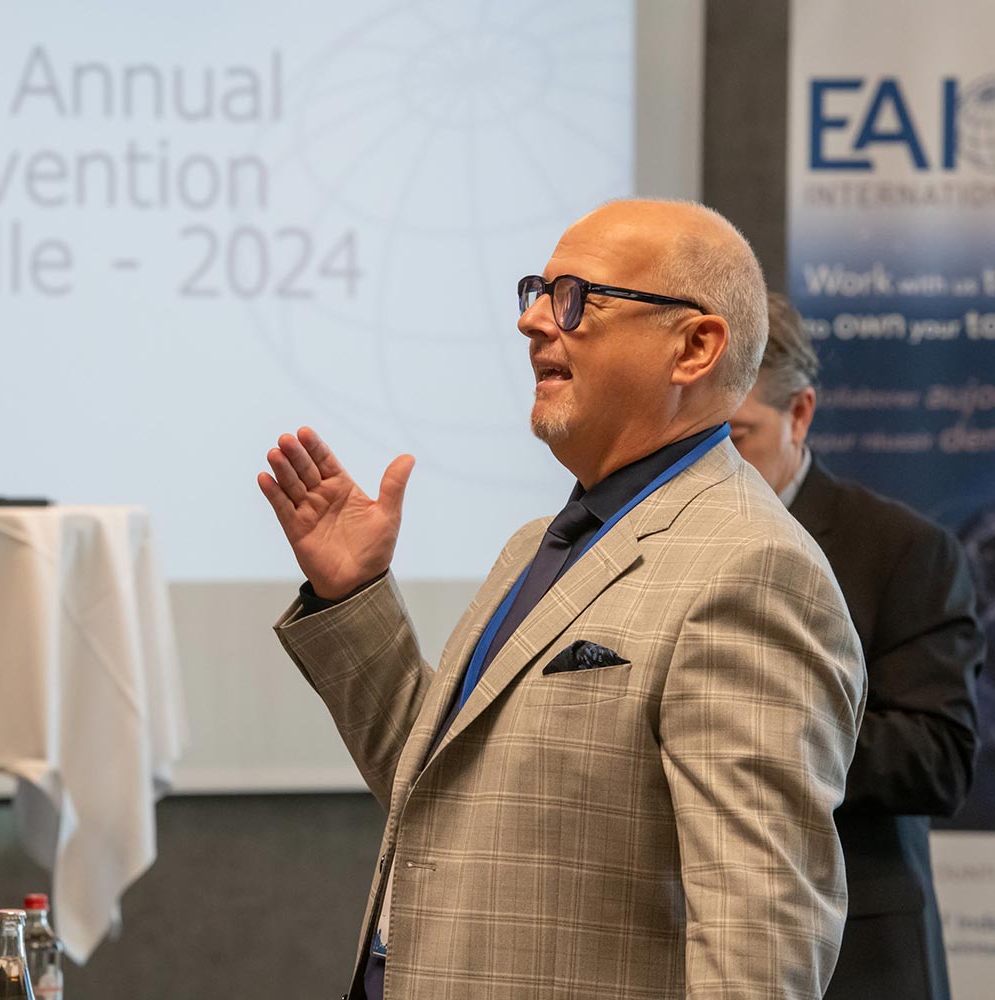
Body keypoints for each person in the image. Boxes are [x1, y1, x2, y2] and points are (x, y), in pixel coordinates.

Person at [258, 199, 866, 999]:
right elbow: (446, 788)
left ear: (694, 347)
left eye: (577, 297)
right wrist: (354, 594)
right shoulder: (540, 543)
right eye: (536, 292)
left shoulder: (749, 569)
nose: (534, 322)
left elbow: (758, 945)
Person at [730, 293, 983, 1000]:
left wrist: (762, 724)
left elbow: (939, 759)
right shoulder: (648, 540)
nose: (716, 467)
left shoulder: (903, 552)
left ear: (800, 414)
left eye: (738, 437)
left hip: (854, 956)